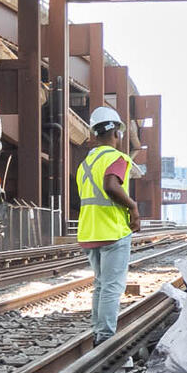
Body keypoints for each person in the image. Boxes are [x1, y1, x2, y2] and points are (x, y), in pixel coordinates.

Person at [75, 105, 137, 338]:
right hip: (113, 231)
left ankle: (98, 332)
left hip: (90, 232)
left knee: (101, 285)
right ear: (117, 133)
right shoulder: (117, 158)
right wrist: (133, 207)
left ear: (95, 133)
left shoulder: (85, 164)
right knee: (112, 286)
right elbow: (111, 186)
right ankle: (105, 338)